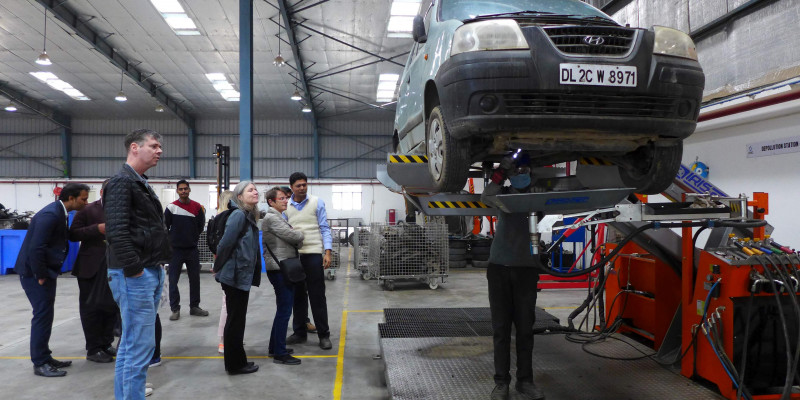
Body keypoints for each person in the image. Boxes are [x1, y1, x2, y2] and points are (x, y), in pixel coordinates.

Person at [105, 128, 172, 400]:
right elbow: (116, 232)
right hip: (134, 273)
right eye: (154, 146)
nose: (159, 151)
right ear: (135, 147)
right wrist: (135, 269)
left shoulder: (138, 181)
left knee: (132, 344)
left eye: (160, 146)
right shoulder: (122, 182)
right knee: (139, 346)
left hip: (147, 269)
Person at [480, 154, 546, 400]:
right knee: (501, 329)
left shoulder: (537, 196)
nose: (520, 174)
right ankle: (501, 383)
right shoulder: (504, 194)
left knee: (525, 330)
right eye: (516, 170)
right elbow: (485, 196)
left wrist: (539, 189)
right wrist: (500, 173)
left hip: (526, 269)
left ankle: (525, 382)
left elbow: (549, 206)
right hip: (498, 269)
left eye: (524, 169)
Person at [16, 183, 89, 377]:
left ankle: (45, 356)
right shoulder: (51, 215)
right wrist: (40, 275)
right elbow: (36, 248)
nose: (86, 202)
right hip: (36, 274)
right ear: (71, 198)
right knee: (41, 315)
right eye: (83, 198)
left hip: (45, 272)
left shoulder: (59, 212)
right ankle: (40, 363)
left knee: (46, 314)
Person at [69, 179, 118, 364]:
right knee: (91, 308)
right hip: (90, 267)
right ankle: (93, 348)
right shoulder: (88, 210)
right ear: (102, 193)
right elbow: (73, 234)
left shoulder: (121, 210)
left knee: (111, 306)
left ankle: (106, 343)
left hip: (114, 266)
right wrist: (96, 229)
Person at [214, 181, 261, 375]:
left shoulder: (248, 216)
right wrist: (217, 268)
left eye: (255, 189)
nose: (255, 192)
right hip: (233, 276)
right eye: (250, 190)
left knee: (237, 320)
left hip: (240, 274)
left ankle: (239, 360)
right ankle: (234, 365)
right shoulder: (238, 216)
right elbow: (225, 244)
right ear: (239, 197)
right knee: (234, 320)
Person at [284, 172, 333, 350]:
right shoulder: (286, 206)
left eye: (304, 184)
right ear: (291, 187)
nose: (302, 188)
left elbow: (325, 228)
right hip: (294, 256)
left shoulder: (317, 202)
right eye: (298, 185)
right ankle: (299, 332)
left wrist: (327, 252)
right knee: (297, 295)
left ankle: (323, 335)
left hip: (313, 254)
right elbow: (284, 231)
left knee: (317, 295)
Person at [261, 186, 304, 365]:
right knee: (285, 310)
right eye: (282, 198)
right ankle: (280, 352)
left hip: (281, 267)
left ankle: (275, 347)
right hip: (279, 268)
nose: (286, 200)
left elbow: (294, 239)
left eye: (286, 198)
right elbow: (294, 237)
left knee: (283, 309)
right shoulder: (272, 218)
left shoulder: (279, 217)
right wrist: (300, 233)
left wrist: (297, 236)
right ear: (271, 202)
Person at [164, 179, 208, 320]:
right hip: (175, 250)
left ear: (189, 190)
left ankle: (194, 307)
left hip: (192, 250)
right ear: (177, 191)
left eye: (185, 189)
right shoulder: (171, 208)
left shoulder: (196, 207)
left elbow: (201, 226)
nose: (183, 191)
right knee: (173, 280)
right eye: (181, 189)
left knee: (195, 280)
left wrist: (192, 237)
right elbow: (165, 227)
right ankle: (175, 309)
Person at [214, 190, 235, 354]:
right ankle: (223, 340)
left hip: (222, 264)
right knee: (227, 304)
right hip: (227, 265)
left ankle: (229, 336)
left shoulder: (217, 219)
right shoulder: (228, 219)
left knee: (229, 303)